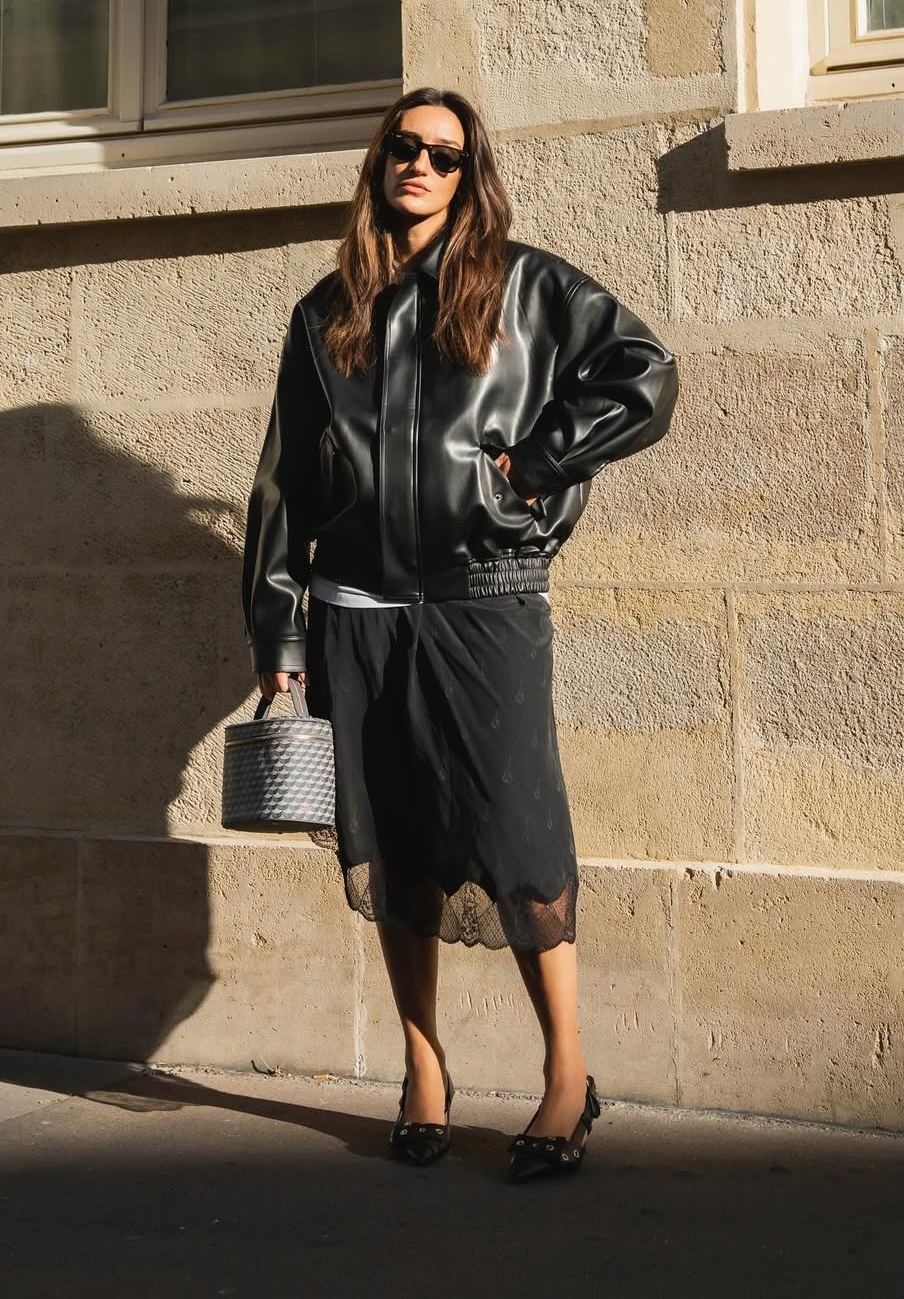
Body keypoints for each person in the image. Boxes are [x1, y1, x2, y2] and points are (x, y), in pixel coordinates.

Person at [240, 85, 679, 1180]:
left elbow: (647, 376)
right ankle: (424, 1069)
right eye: (404, 147)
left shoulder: (526, 289)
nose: (420, 165)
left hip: (488, 600)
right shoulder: (323, 312)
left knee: (518, 834)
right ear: (378, 161)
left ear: (468, 171)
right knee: (394, 845)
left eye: (444, 152)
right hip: (357, 614)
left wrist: (531, 466)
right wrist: (281, 640)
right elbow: (287, 486)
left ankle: (567, 1078)